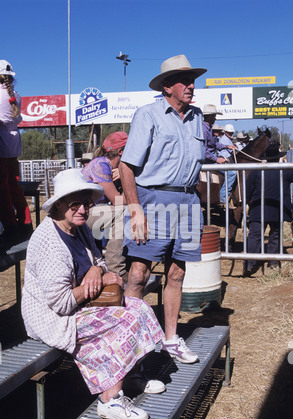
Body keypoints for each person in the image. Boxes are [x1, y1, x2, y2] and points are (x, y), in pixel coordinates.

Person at [21, 168, 165, 419]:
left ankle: (129, 374)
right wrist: (96, 282)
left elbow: (98, 262)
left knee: (140, 309)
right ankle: (109, 399)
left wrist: (97, 271)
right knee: (125, 320)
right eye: (74, 204)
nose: (82, 210)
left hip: (83, 304)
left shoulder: (80, 229)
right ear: (57, 206)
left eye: (86, 203)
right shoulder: (47, 242)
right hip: (53, 316)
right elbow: (61, 303)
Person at [119, 54, 207, 364]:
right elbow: (127, 166)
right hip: (153, 200)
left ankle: (170, 338)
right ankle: (130, 346)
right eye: (185, 80)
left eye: (193, 80)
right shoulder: (149, 114)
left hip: (188, 201)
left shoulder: (197, 117)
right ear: (167, 86)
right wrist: (134, 208)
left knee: (177, 272)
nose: (192, 86)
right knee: (139, 274)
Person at [82, 132, 128, 281]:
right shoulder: (101, 165)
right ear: (121, 152)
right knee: (123, 212)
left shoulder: (104, 164)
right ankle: (116, 267)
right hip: (82, 212)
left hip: (87, 212)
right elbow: (118, 201)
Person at [243, 142, 293, 276]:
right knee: (275, 234)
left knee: (255, 235)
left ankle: (250, 264)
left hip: (258, 209)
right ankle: (273, 261)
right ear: (279, 157)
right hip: (278, 209)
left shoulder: (257, 170)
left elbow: (247, 189)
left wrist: (248, 203)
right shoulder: (286, 170)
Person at [0, 60, 32, 246]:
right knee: (15, 187)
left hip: (2, 144)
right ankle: (25, 223)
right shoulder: (16, 95)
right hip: (13, 145)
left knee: (3, 190)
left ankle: (11, 227)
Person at [218, 124, 238, 205]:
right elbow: (226, 154)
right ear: (225, 132)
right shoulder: (224, 140)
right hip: (222, 160)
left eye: (232, 132)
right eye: (229, 132)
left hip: (227, 159)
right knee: (232, 173)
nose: (231, 134)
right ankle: (223, 196)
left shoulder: (228, 140)